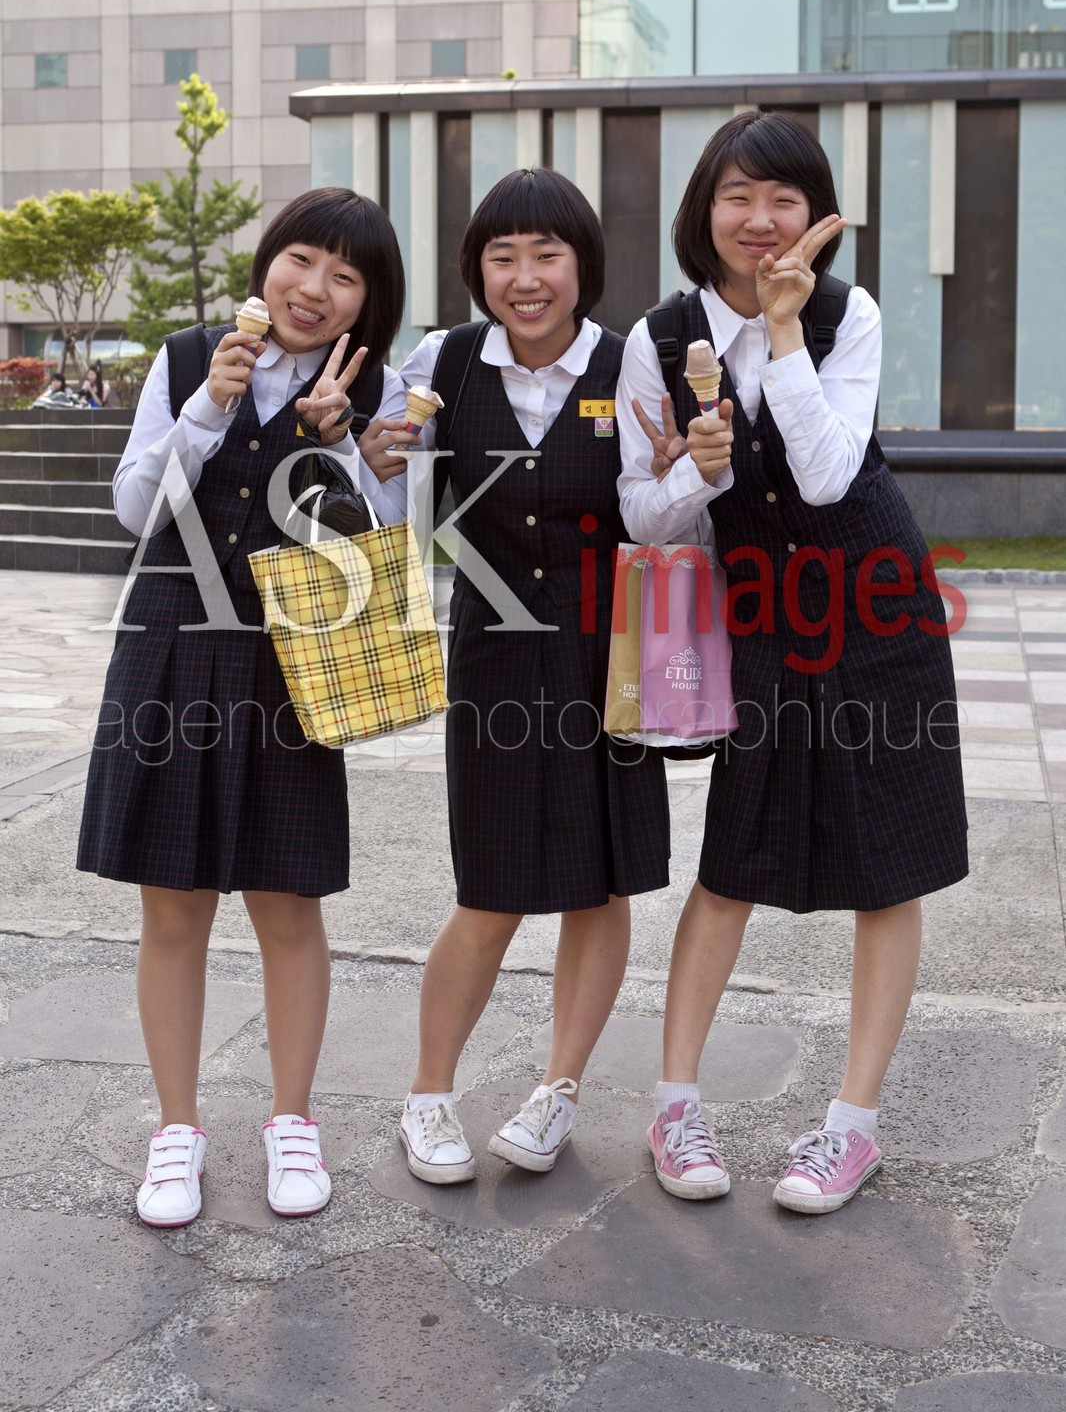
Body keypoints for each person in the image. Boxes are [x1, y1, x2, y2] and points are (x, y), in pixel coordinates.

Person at [617, 110, 968, 1213]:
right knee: (733, 855)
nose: (760, 219)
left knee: (888, 860)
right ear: (704, 209)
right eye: (738, 195)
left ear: (817, 214)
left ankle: (851, 1127)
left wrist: (780, 333)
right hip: (759, 614)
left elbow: (824, 475)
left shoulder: (844, 313)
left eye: (784, 198)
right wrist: (697, 472)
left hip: (874, 600)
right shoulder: (658, 335)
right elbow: (645, 517)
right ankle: (675, 1105)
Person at [77, 187, 408, 1227]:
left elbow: (387, 545)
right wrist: (209, 409)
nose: (314, 288)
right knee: (172, 905)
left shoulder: (380, 389)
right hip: (172, 648)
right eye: (301, 259)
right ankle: (176, 1129)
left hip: (293, 664)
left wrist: (344, 445)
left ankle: (291, 1120)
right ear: (268, 263)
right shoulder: (188, 359)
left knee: (287, 900)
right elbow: (136, 508)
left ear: (366, 301)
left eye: (344, 275)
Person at [359, 168, 670, 1185]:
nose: (525, 278)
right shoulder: (443, 362)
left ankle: (557, 1092)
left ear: (583, 265)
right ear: (476, 269)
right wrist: (377, 462)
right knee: (489, 890)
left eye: (547, 254)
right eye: (503, 257)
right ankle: (428, 1095)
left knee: (601, 885)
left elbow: (663, 517)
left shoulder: (632, 365)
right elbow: (395, 512)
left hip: (608, 663)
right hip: (493, 661)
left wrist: (686, 474)